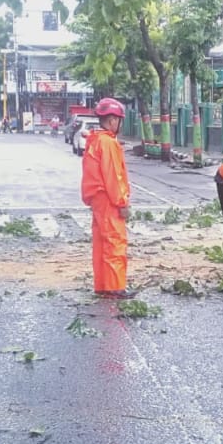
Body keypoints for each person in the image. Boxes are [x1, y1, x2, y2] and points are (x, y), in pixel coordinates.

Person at [81, 97, 134, 298]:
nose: (119, 124)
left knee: (101, 243)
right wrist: (122, 202)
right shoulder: (108, 143)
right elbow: (114, 176)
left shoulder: (94, 140)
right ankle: (115, 287)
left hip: (97, 199)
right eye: (119, 119)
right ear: (113, 120)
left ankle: (103, 286)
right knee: (114, 241)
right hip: (108, 199)